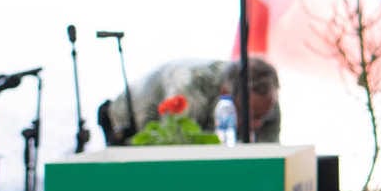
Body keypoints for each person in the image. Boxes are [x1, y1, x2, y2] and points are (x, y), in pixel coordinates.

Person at [103, 57, 281, 145]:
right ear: (226, 93)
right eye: (250, 116)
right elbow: (177, 150)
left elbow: (269, 154)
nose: (257, 124)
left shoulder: (265, 100)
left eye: (263, 116)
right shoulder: (191, 86)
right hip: (127, 124)